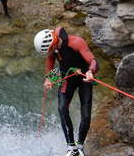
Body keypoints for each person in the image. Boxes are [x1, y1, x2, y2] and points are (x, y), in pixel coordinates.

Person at [34, 27, 99, 156]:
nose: (49, 53)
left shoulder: (77, 42)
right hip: (67, 78)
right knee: (62, 108)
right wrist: (48, 78)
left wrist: (91, 71)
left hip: (85, 77)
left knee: (85, 114)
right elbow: (50, 59)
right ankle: (71, 147)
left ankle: (80, 146)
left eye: (49, 50)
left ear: (53, 43)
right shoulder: (53, 49)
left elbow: (93, 61)